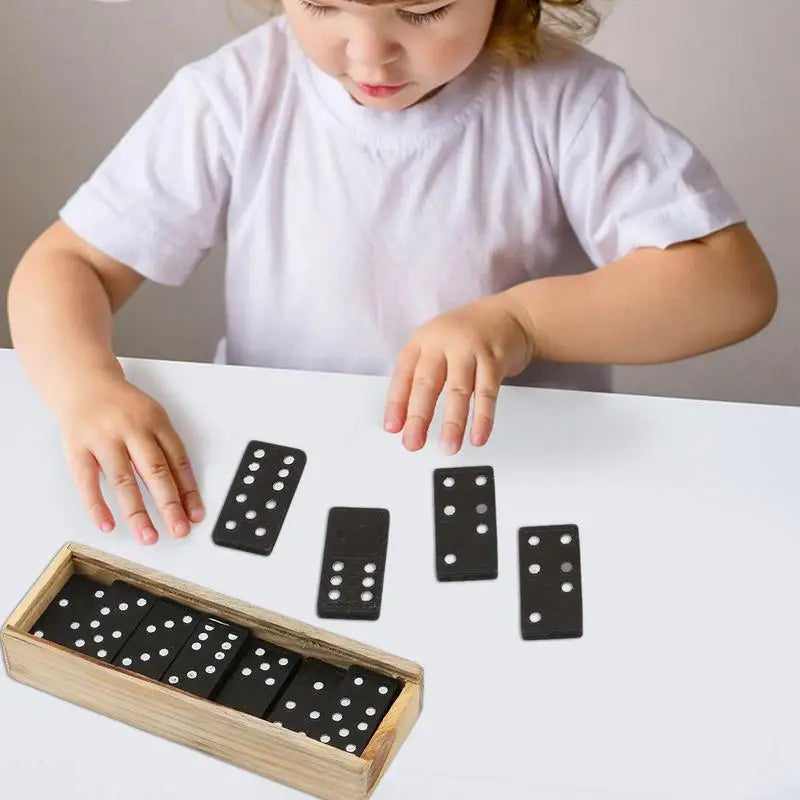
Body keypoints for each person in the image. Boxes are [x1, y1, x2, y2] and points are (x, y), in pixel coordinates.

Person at [7, 0, 777, 546]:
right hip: (286, 473)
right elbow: (67, 264)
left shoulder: (569, 100)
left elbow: (730, 287)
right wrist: (86, 389)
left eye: (422, 11)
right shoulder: (233, 93)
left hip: (506, 480)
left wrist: (522, 322)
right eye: (322, 4)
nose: (368, 54)